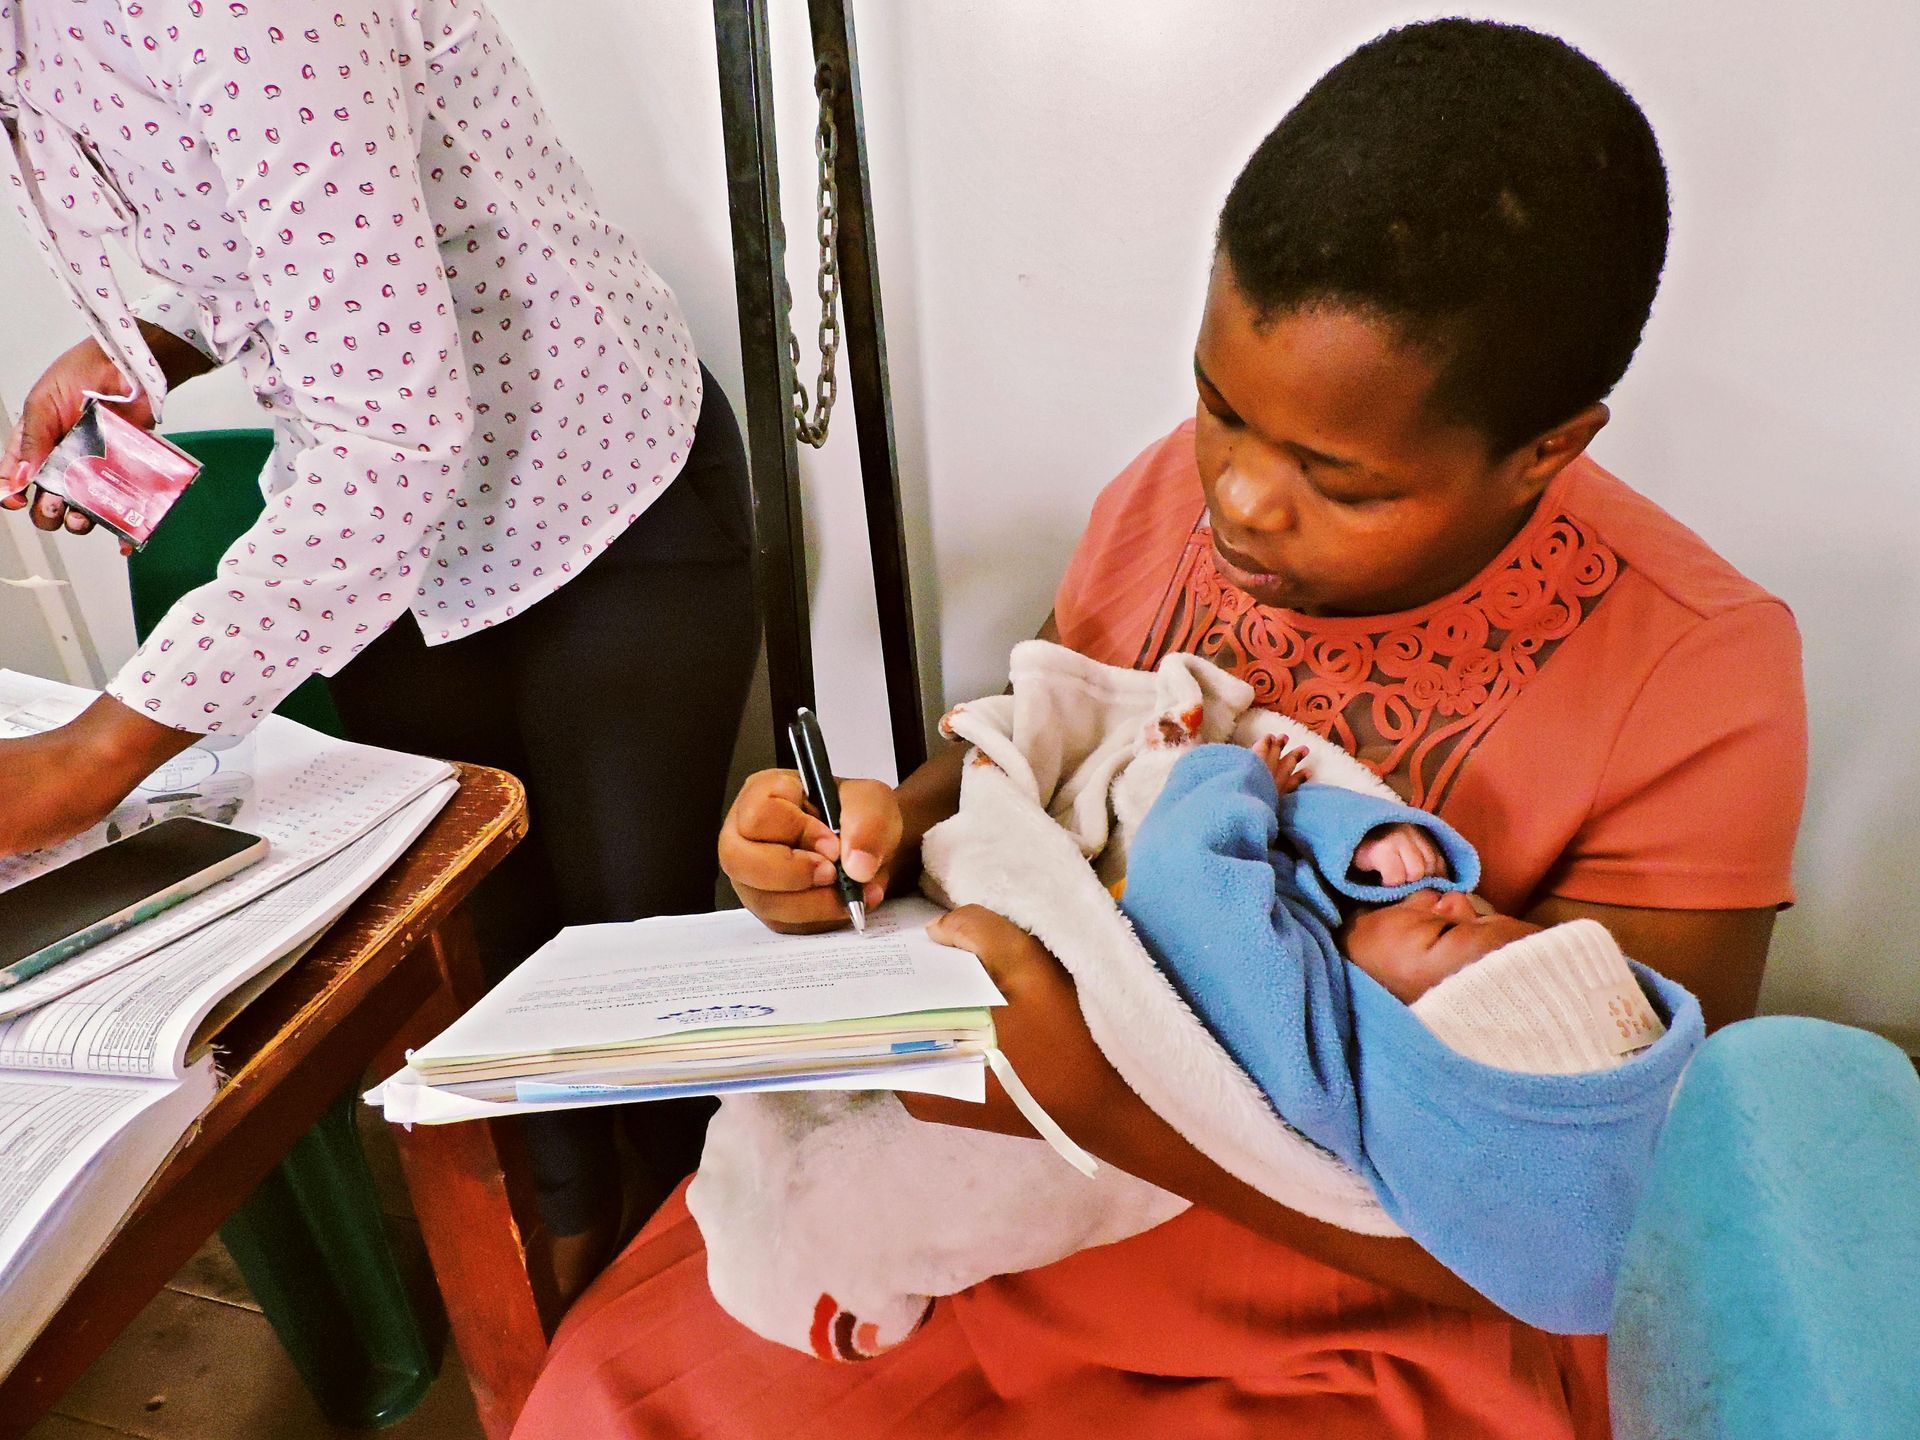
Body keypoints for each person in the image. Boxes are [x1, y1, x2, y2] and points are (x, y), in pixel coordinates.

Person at [513, 18, 1807, 1438]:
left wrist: (1102, 1102)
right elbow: (1033, 758)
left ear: (1547, 450)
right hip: (983, 1203)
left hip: (1352, 1295)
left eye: (1340, 481)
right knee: (600, 1401)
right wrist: (879, 829)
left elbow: (1600, 1228)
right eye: (1218, 407)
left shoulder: (1696, 673)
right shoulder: (1163, 499)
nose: (1239, 500)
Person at [0, 0, 757, 1298]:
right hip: (401, 563)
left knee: (637, 979)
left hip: (600, 496)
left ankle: (682, 1290)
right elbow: (311, 232)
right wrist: (146, 348)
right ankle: (567, 1268)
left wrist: (94, 755)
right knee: (489, 956)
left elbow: (394, 440)